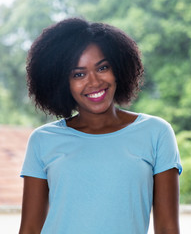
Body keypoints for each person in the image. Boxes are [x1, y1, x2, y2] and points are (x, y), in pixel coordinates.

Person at [19, 17, 182, 234]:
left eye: (102, 67)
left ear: (118, 69)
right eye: (79, 74)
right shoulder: (43, 140)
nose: (94, 82)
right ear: (60, 82)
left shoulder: (156, 133)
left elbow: (168, 228)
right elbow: (30, 229)